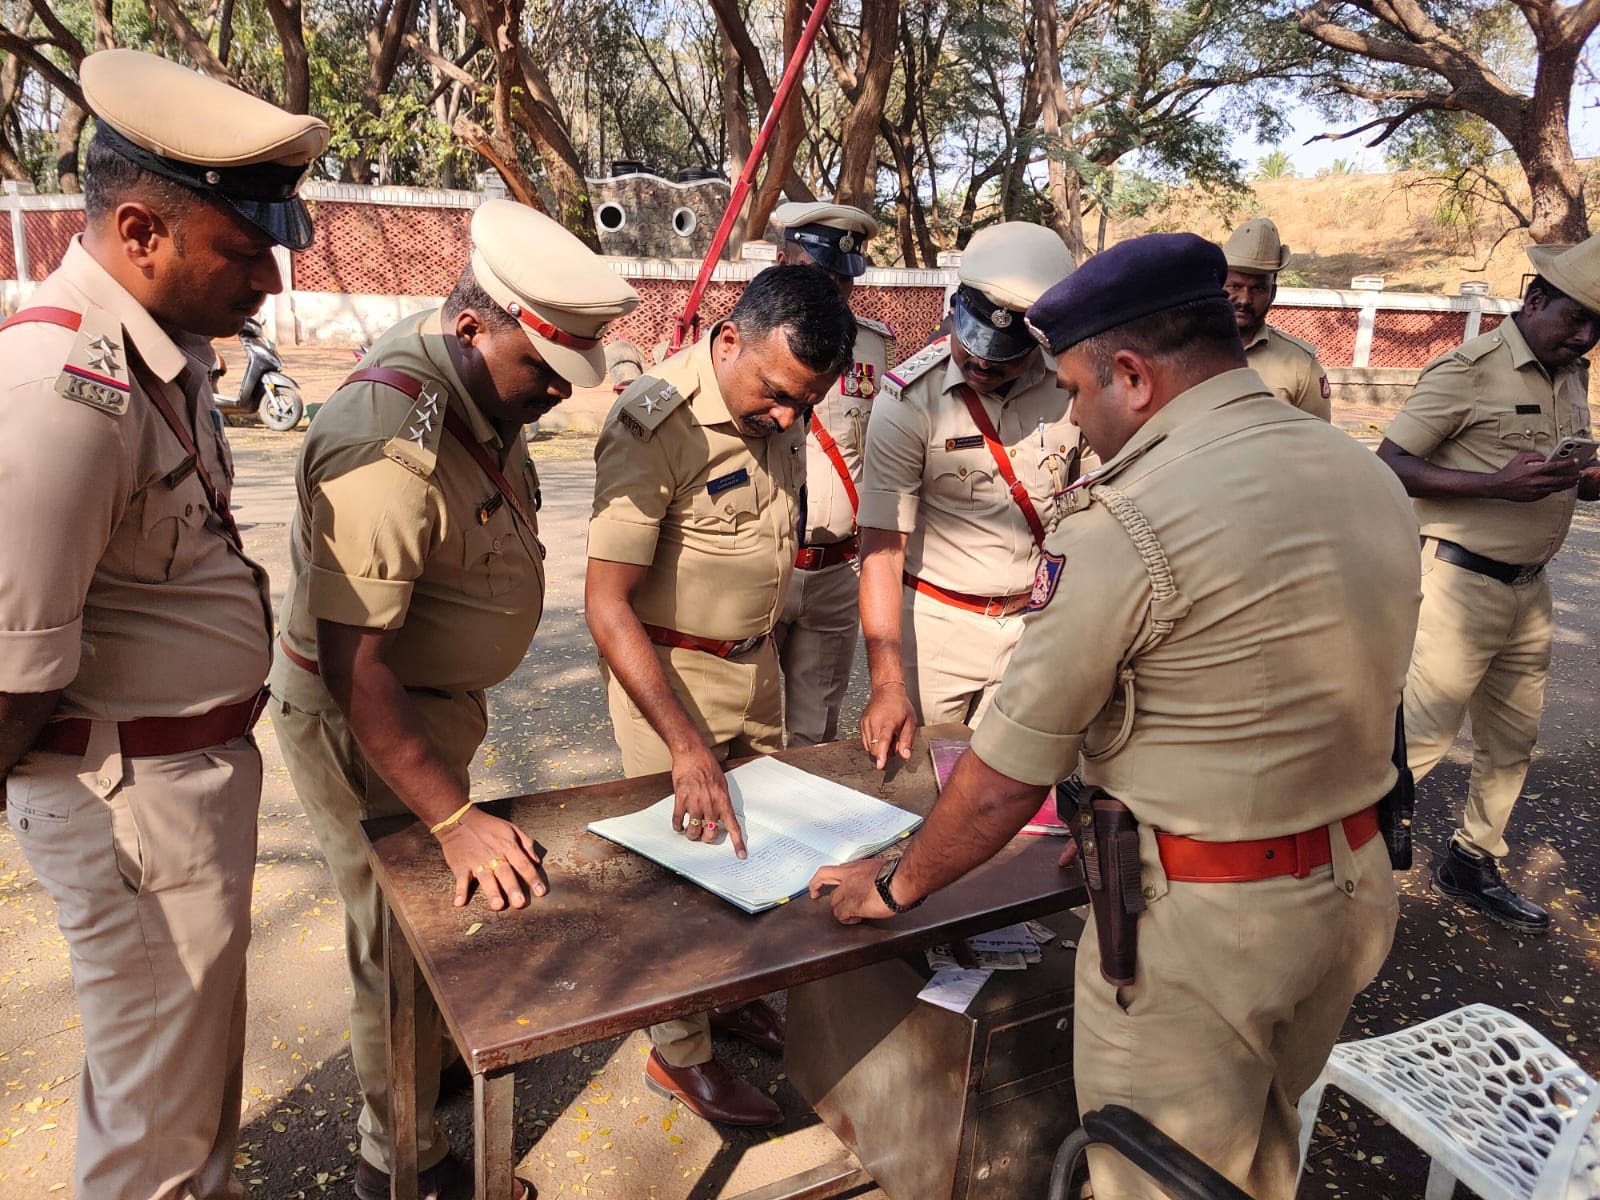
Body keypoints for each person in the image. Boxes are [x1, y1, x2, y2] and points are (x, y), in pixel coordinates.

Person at [811, 233, 1421, 1200]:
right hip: (1351, 893)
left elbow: (1001, 783)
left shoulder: (1131, 518)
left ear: (1132, 376)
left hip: (1206, 938)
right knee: (1262, 1154)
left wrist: (892, 888)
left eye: (1075, 390)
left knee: (1158, 1175)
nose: (1072, 417)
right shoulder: (1362, 474)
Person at [0, 49, 326, 1200]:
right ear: (141, 231)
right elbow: (11, 674)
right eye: (243, 251)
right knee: (153, 1134)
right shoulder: (61, 388)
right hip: (129, 801)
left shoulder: (156, 353)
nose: (269, 280)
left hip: (176, 786)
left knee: (181, 1084)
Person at [268, 198, 639, 1200]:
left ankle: (422, 1073)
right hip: (367, 717)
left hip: (430, 706)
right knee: (394, 939)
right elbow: (355, 666)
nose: (555, 393)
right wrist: (451, 817)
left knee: (431, 924)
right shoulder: (387, 440)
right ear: (472, 326)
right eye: (542, 370)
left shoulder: (475, 387)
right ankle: (398, 1159)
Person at [584, 265, 855, 1126]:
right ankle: (681, 1053)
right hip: (672, 684)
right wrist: (685, 746)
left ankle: (731, 995)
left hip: (754, 668)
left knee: (755, 850)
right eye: (777, 394)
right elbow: (606, 604)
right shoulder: (653, 423)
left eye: (805, 404)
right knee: (677, 876)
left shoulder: (781, 403)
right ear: (729, 340)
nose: (789, 419)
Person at [1377, 235, 1600, 935]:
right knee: (1420, 741)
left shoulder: (1570, 376)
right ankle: (1343, 872)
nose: (1585, 337)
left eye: (1598, 326)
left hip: (1530, 591)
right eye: (1576, 318)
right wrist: (1491, 486)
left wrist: (1585, 480)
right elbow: (1387, 465)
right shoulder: (1467, 370)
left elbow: (1559, 476)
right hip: (1457, 584)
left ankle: (1471, 862)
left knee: (1512, 740)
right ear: (1535, 300)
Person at [856, 222, 1084, 767]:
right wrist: (887, 684)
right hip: (937, 631)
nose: (981, 363)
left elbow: (1097, 509)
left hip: (1035, 628)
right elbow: (882, 550)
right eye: (972, 343)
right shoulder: (908, 401)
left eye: (1003, 356)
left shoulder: (1072, 388)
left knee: (1018, 784)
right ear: (956, 308)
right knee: (921, 785)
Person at [771, 201, 896, 745]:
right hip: (763, 566)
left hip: (836, 571)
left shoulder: (872, 346)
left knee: (814, 734)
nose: (836, 293)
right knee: (745, 728)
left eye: (844, 281)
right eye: (822, 276)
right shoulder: (746, 339)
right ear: (783, 261)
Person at [1221, 216, 1331, 421]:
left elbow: (1316, 437)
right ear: (1218, 286)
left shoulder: (1300, 365)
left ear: (1272, 294)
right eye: (1235, 286)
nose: (1244, 299)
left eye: (1258, 289)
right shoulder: (1187, 349)